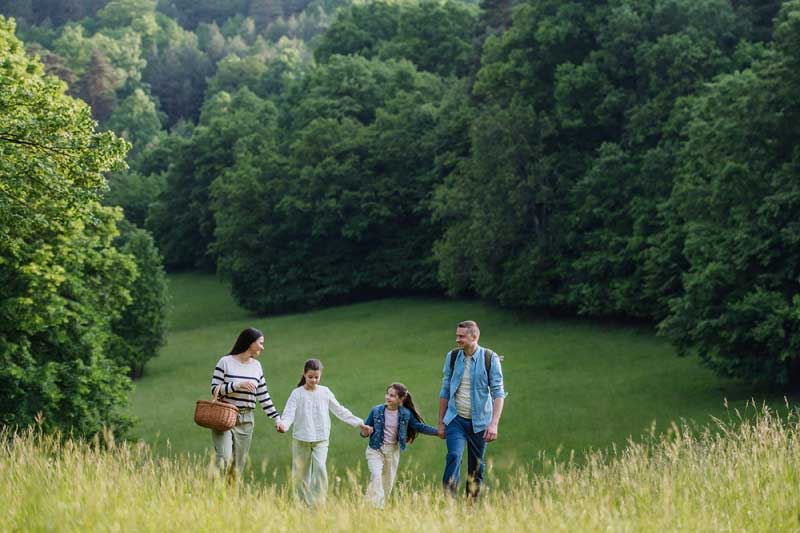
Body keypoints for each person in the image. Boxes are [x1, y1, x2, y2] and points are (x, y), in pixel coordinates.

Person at [279, 358, 372, 507]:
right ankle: (302, 506)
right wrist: (283, 425)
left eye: (317, 377)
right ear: (304, 374)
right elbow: (288, 413)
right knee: (301, 473)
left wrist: (359, 423)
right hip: (301, 438)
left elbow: (340, 410)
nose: (314, 380)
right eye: (310, 377)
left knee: (320, 469)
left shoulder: (325, 392)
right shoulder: (297, 393)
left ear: (320, 375)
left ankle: (318, 504)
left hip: (321, 439)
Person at [438, 320, 507, 498]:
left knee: (476, 466)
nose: (457, 340)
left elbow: (499, 393)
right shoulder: (452, 357)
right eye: (457, 336)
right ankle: (449, 502)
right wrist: (441, 422)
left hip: (481, 422)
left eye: (461, 336)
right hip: (455, 419)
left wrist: (494, 424)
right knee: (453, 456)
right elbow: (445, 390)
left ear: (474, 336)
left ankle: (471, 507)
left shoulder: (490, 358)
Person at [209, 327, 282, 478]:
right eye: (260, 343)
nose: (263, 347)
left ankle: (229, 498)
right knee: (223, 458)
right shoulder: (225, 362)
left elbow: (263, 394)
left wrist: (276, 418)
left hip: (246, 420)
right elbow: (215, 389)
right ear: (250, 342)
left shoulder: (256, 366)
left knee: (237, 468)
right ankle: (211, 492)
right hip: (225, 417)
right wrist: (238, 385)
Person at [361, 382, 439, 509]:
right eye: (387, 394)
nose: (388, 397)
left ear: (401, 399)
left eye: (392, 396)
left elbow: (419, 427)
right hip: (375, 450)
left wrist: (437, 432)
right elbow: (365, 429)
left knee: (387, 483)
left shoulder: (405, 414)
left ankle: (370, 506)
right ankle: (376, 508)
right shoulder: (376, 411)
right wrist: (364, 432)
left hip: (392, 452)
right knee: (376, 476)